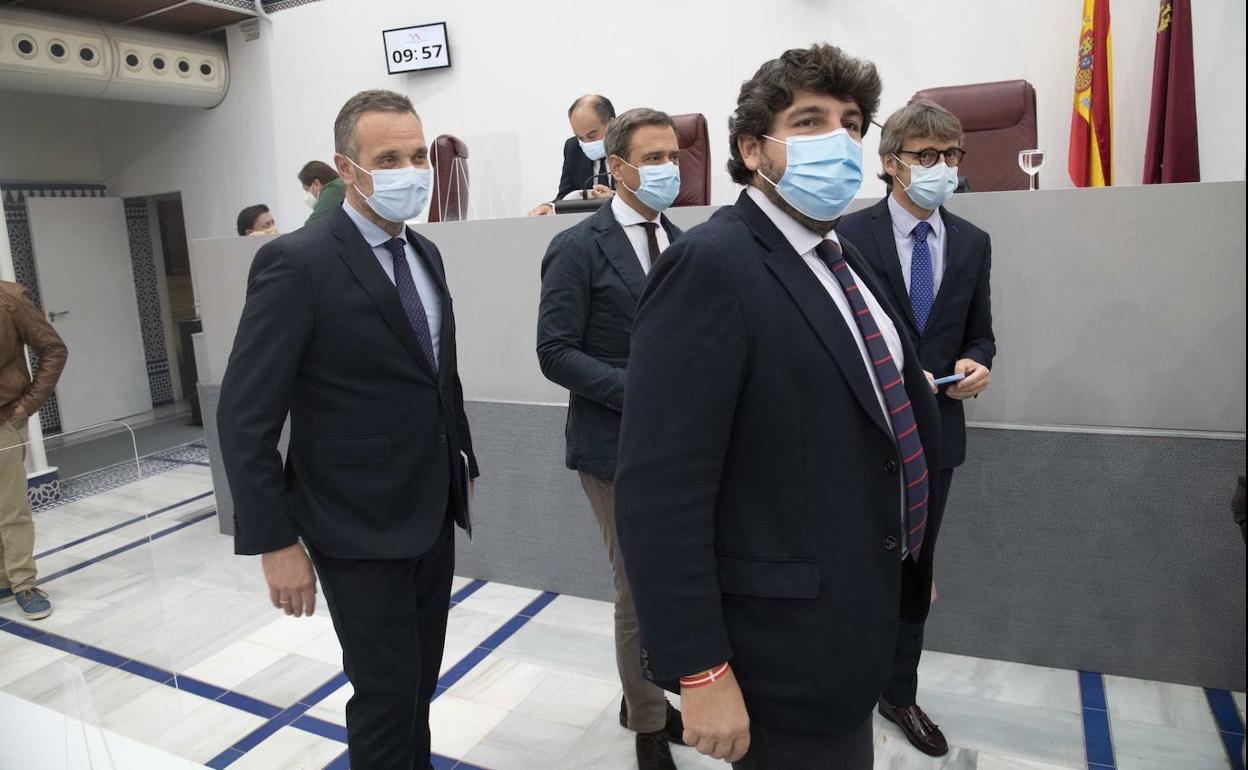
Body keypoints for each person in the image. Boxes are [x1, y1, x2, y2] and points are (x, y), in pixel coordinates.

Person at [614, 43, 943, 770]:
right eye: (810, 120)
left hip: (851, 621)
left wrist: (908, 549)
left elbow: (878, 425)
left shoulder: (843, 256)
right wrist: (699, 670)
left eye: (851, 123)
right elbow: (660, 493)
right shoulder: (710, 266)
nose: (839, 140)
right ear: (752, 148)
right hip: (777, 650)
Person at [217, 89, 479, 770]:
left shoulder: (423, 253)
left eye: (418, 154)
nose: (410, 170)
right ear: (346, 167)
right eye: (388, 158)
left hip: (430, 512)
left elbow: (432, 376)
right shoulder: (295, 263)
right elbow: (246, 416)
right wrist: (275, 541)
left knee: (417, 686)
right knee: (386, 698)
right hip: (352, 525)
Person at [838, 98, 996, 758]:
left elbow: (980, 333)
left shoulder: (972, 243)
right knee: (850, 564)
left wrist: (978, 363)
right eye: (926, 156)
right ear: (890, 163)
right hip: (860, 435)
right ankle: (844, 684)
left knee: (914, 568)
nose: (941, 168)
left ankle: (897, 690)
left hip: (937, 436)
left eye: (951, 156)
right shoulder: (846, 236)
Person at [536, 107, 686, 770]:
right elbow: (555, 351)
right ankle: (650, 726)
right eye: (652, 159)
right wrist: (643, 393)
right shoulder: (577, 246)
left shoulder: (681, 239)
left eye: (673, 156)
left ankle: (647, 694)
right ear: (617, 167)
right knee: (638, 587)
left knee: (675, 579)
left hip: (682, 448)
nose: (667, 170)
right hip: (612, 447)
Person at [0, 281, 67, 620]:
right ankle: (3, 578)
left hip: (4, 421)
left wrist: (27, 405)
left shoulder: (9, 298)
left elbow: (54, 349)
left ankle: (23, 583)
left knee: (11, 508)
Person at [527, 94, 618, 216]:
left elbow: (646, 197)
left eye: (592, 135)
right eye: (580, 137)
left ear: (612, 124)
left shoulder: (632, 148)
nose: (586, 143)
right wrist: (550, 206)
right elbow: (566, 196)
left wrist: (616, 198)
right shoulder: (573, 148)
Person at [299, 160, 348, 225]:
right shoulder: (340, 184)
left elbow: (311, 227)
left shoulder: (333, 189)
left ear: (316, 184)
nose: (307, 195)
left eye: (307, 190)